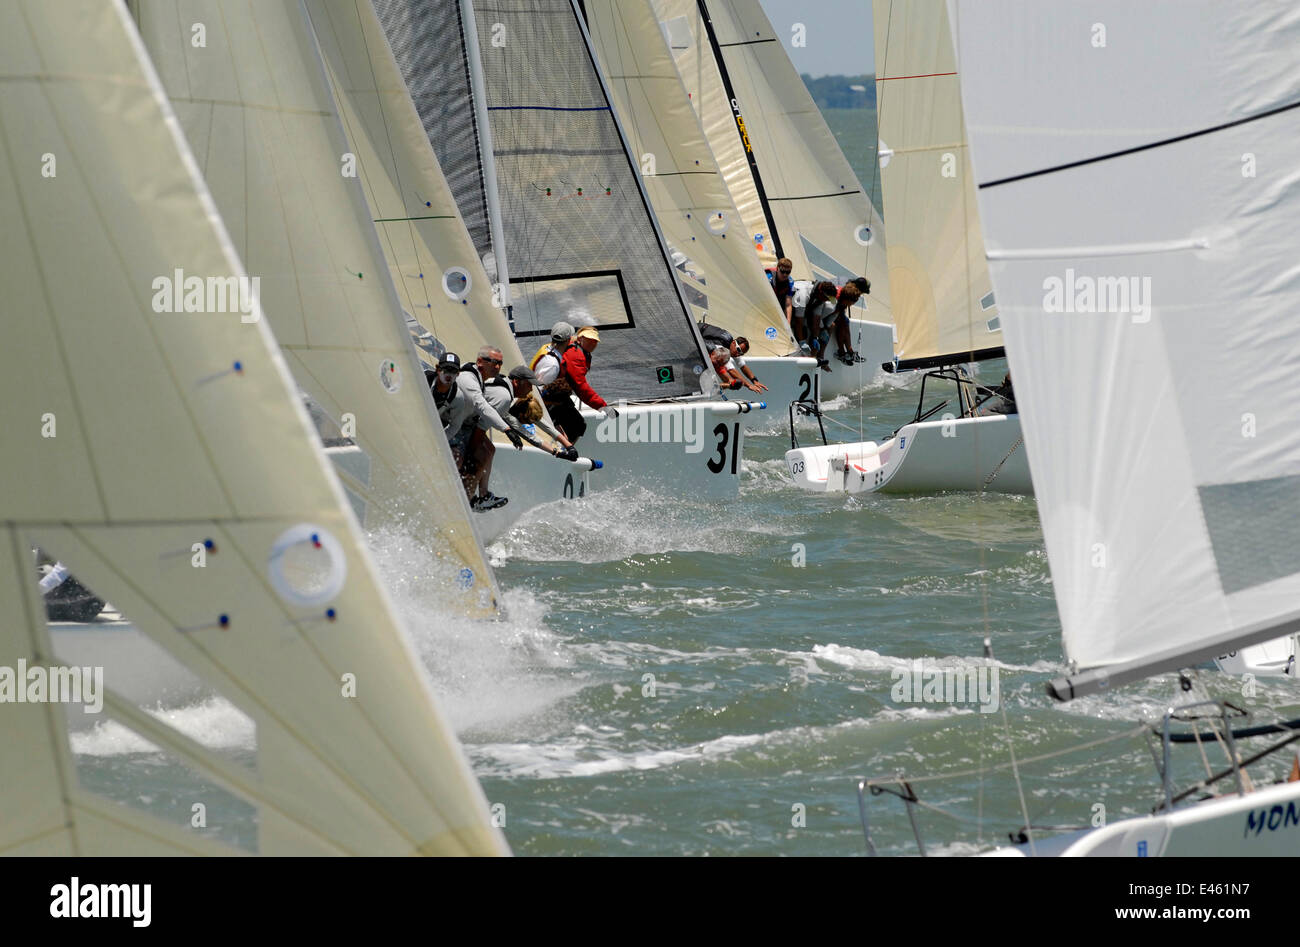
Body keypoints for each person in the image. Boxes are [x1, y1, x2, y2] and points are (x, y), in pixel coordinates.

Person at [459, 346, 523, 511]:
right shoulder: (469, 379)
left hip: (464, 425)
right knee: (473, 460)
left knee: (488, 450)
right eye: (494, 362)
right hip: (455, 427)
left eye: (500, 363)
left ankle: (481, 496)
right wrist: (506, 430)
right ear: (480, 361)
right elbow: (483, 407)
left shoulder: (482, 379)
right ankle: (465, 503)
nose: (498, 367)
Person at [504, 365, 580, 461]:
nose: (531, 389)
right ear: (521, 415)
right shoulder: (506, 410)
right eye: (529, 422)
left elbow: (545, 425)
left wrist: (569, 446)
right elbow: (530, 437)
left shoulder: (525, 403)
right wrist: (556, 452)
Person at [698, 323, 766, 392]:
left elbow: (742, 365)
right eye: (738, 350)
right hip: (694, 332)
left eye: (741, 354)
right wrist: (749, 385)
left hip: (703, 334)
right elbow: (731, 370)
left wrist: (754, 380)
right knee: (719, 366)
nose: (738, 354)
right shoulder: (719, 350)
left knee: (722, 371)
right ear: (733, 343)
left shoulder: (731, 347)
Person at [793, 281, 838, 368]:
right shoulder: (803, 295)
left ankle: (811, 362)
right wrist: (802, 342)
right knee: (803, 333)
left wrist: (815, 337)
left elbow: (816, 320)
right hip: (789, 309)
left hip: (803, 312)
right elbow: (799, 321)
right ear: (821, 293)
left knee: (813, 336)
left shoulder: (820, 298)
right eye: (827, 299)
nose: (827, 301)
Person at [830, 283, 865, 364]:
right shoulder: (835, 299)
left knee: (845, 321)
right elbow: (829, 311)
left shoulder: (845, 297)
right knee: (841, 323)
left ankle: (850, 351)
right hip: (826, 314)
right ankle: (841, 352)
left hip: (835, 312)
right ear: (847, 300)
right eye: (852, 303)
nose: (851, 305)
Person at [766, 257, 795, 326]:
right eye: (782, 271)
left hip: (777, 304)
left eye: (788, 272)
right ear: (777, 269)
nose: (785, 274)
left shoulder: (790, 282)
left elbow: (788, 304)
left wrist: (788, 322)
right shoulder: (768, 278)